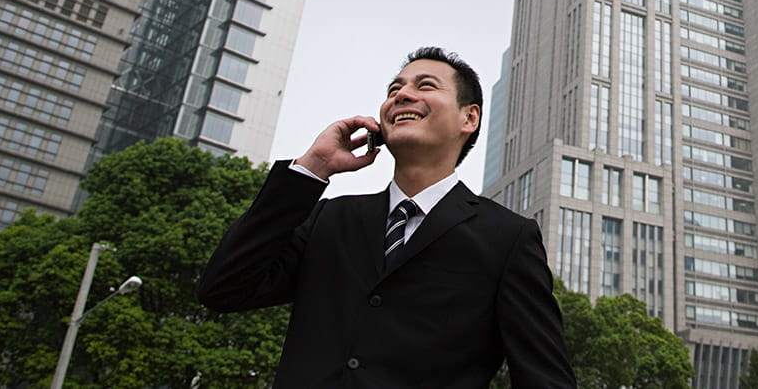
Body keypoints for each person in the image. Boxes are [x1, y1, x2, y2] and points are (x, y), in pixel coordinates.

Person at [198, 46, 575, 388]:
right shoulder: (331, 217)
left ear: (469, 117)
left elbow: (545, 378)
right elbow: (223, 289)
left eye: (425, 85)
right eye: (394, 89)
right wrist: (313, 167)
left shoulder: (507, 238)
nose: (402, 95)